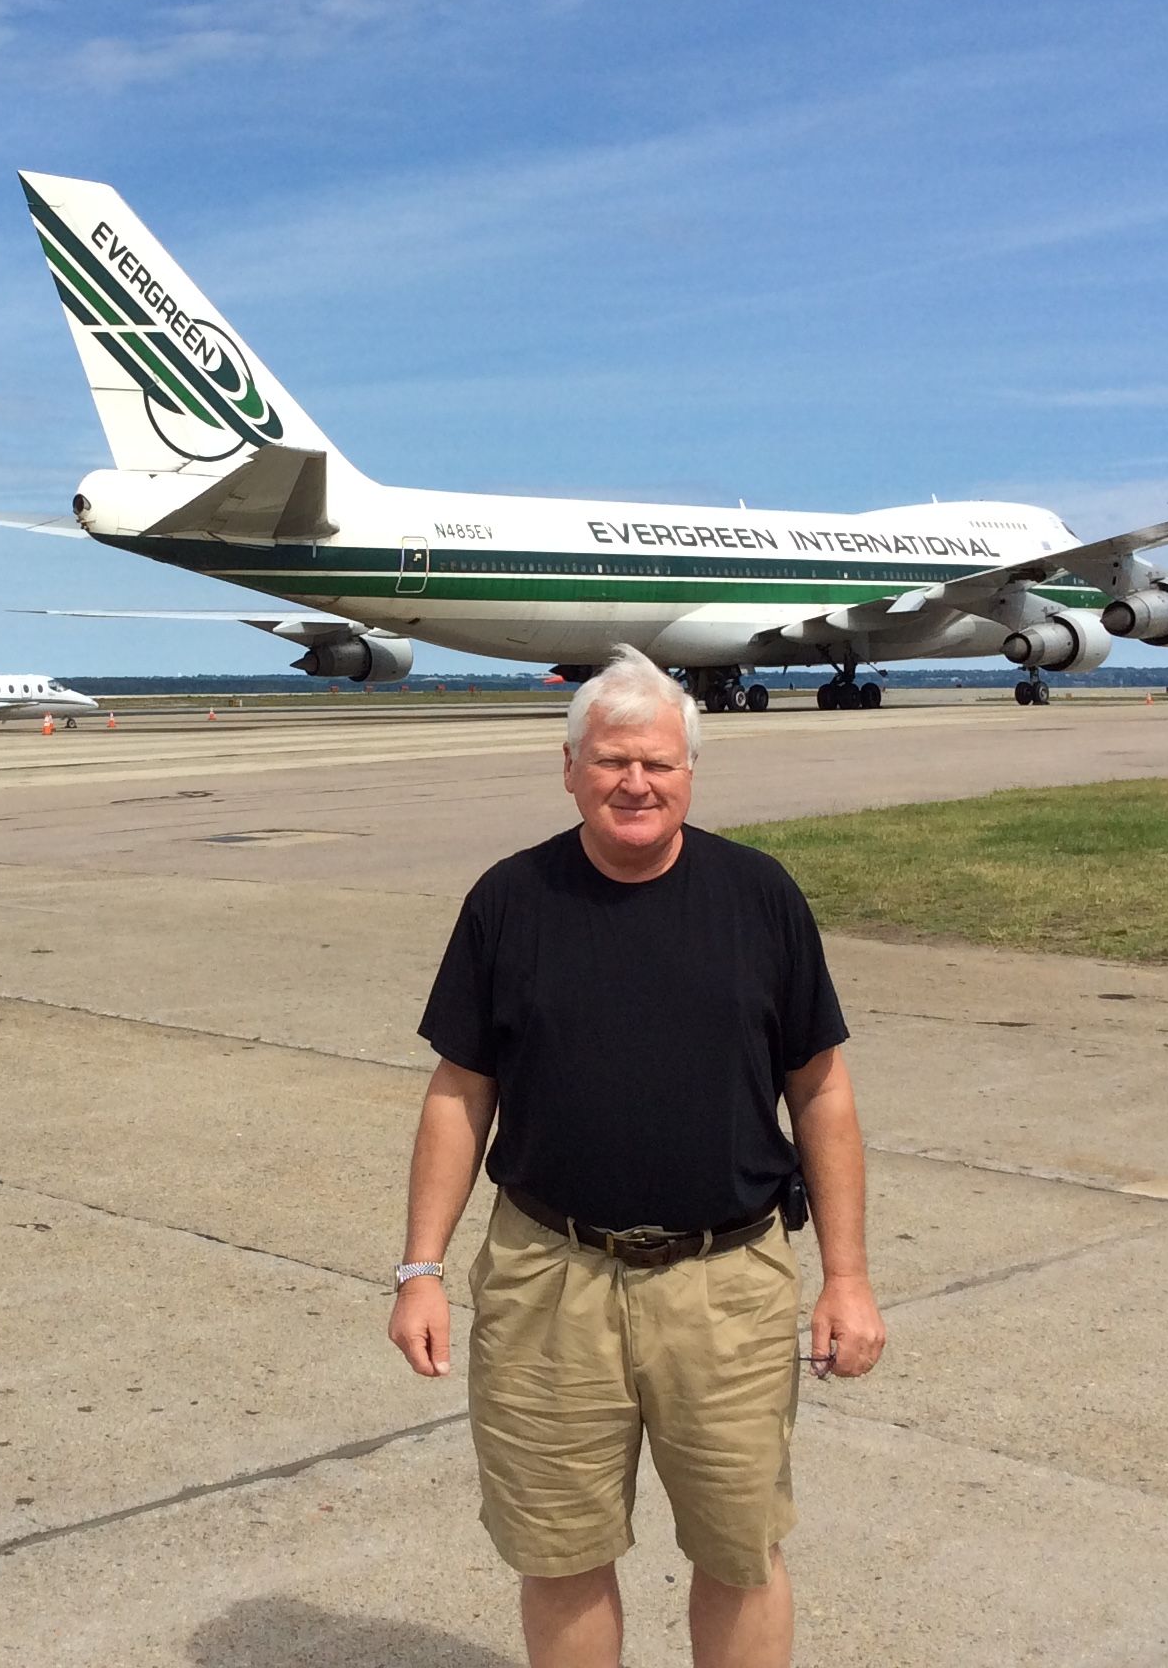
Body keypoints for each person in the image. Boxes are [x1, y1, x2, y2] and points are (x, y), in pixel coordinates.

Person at [386, 645, 883, 1668]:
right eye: (612, 760)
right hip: (547, 1281)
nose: (635, 782)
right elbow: (458, 1094)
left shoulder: (760, 897)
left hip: (728, 1286)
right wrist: (419, 1270)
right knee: (559, 1551)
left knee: (742, 1550)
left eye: (658, 763)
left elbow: (822, 1092)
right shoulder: (509, 901)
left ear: (690, 772)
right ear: (570, 767)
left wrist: (849, 1277)